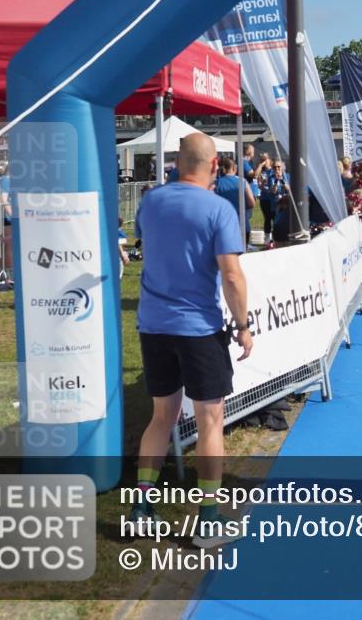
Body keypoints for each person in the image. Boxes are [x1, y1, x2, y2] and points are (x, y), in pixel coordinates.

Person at [130, 133, 253, 547]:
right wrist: (243, 324)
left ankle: (141, 509)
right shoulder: (218, 209)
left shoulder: (150, 201)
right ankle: (209, 520)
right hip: (198, 329)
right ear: (215, 164)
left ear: (177, 163)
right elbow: (232, 275)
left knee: (160, 418)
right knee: (210, 421)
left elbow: (143, 244)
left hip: (153, 325)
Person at [214, 157, 256, 245]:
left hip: (223, 226)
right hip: (242, 225)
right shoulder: (243, 181)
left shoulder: (216, 184)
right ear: (234, 168)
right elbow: (252, 203)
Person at [260, 161, 290, 243]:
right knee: (275, 222)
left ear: (282, 168)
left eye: (278, 167)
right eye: (275, 167)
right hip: (275, 204)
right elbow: (273, 191)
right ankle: (275, 240)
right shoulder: (271, 178)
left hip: (286, 204)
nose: (277, 169)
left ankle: (285, 239)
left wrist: (283, 181)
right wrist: (277, 181)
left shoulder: (287, 176)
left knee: (285, 222)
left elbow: (289, 190)